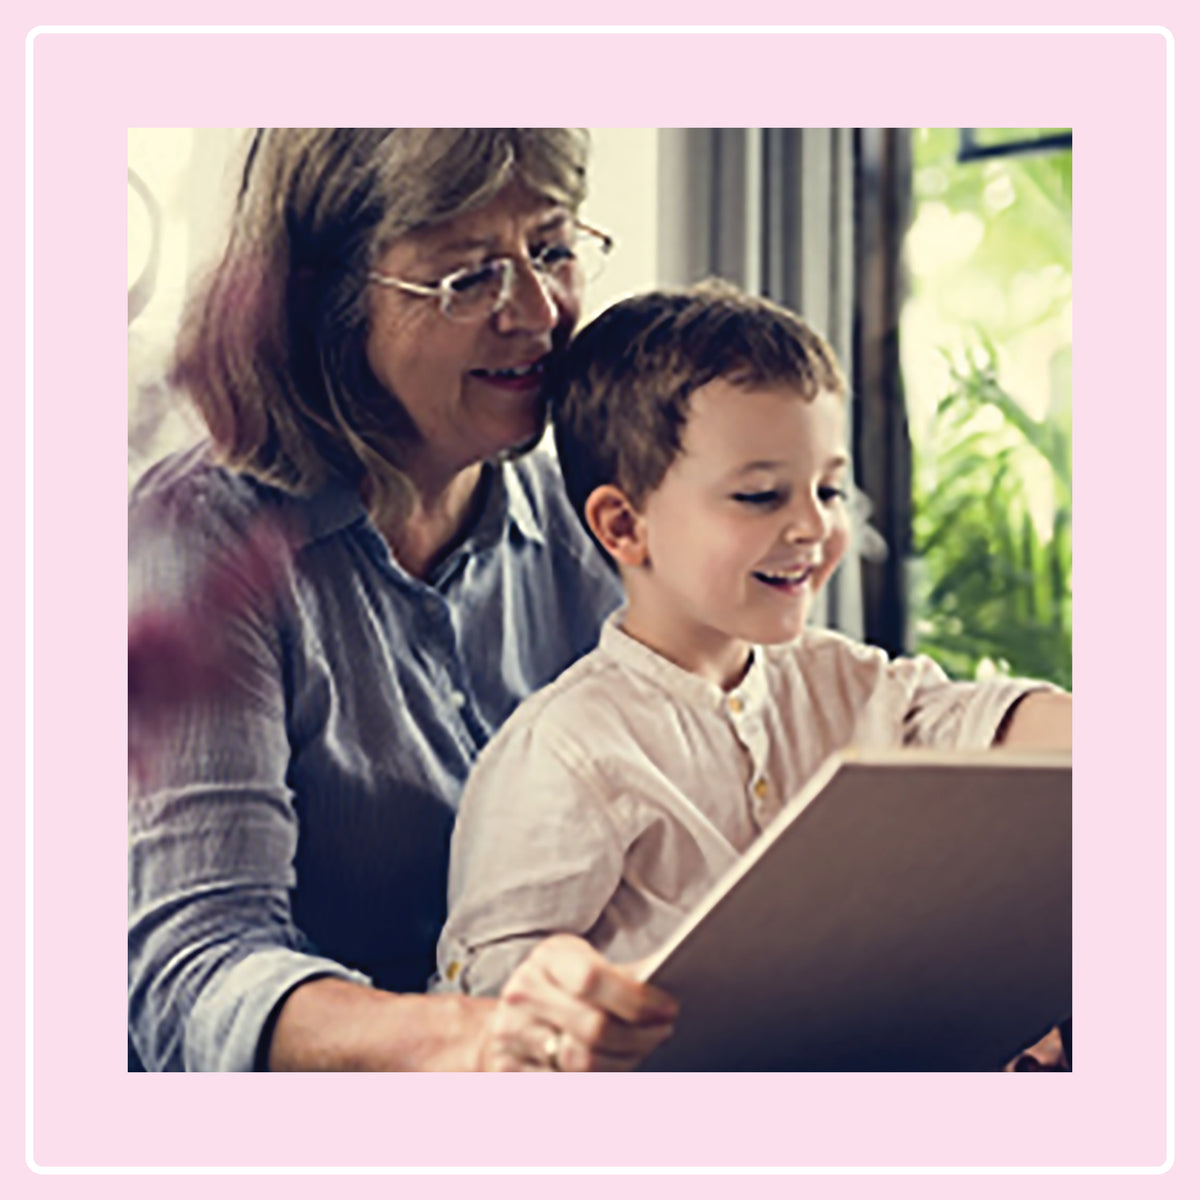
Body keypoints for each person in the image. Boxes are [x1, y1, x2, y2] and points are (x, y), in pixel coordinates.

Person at [128, 128, 679, 1073]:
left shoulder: (602, 520)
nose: (539, 310)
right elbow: (192, 979)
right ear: (329, 306)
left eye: (551, 249)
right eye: (468, 277)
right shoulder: (194, 541)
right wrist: (485, 1040)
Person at [434, 283, 1073, 1069]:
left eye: (829, 489)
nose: (813, 526)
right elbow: (489, 1011)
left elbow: (997, 723)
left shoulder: (848, 680)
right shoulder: (565, 752)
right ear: (624, 526)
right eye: (760, 496)